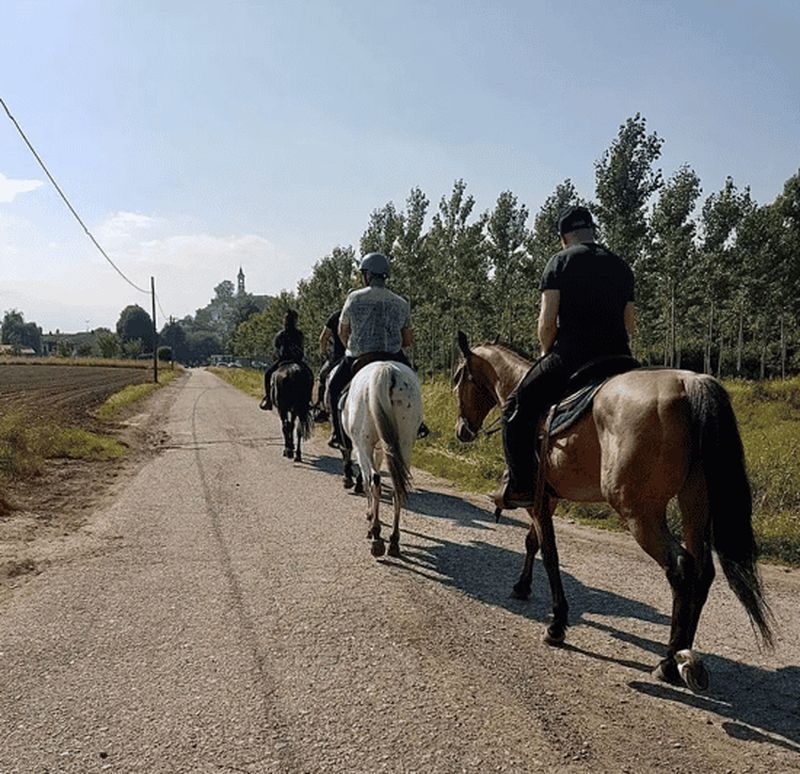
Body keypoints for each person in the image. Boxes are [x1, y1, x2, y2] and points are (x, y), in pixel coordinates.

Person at [493, 205, 636, 509]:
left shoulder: (559, 262)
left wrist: (546, 353)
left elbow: (546, 324)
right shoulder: (621, 266)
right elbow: (630, 324)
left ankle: (521, 486)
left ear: (563, 237)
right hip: (621, 357)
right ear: (593, 231)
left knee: (514, 409)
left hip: (573, 356)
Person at [327, 252, 428, 448]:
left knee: (333, 388)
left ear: (367, 275)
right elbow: (408, 340)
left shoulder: (354, 298)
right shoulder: (401, 302)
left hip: (360, 356)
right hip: (393, 356)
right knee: (413, 383)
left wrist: (351, 346)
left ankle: (338, 435)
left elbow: (342, 330)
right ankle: (419, 424)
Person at [261, 309, 313, 410]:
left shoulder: (280, 335)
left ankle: (268, 399)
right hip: (297, 361)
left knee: (267, 374)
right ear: (295, 321)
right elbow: (301, 348)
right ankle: (307, 399)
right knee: (309, 375)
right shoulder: (299, 334)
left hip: (283, 361)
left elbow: (276, 349)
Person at [314, 309, 346, 421]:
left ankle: (321, 407)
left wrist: (324, 353)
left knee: (322, 376)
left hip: (338, 356)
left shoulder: (335, 316)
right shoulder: (361, 312)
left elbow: (323, 338)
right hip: (362, 355)